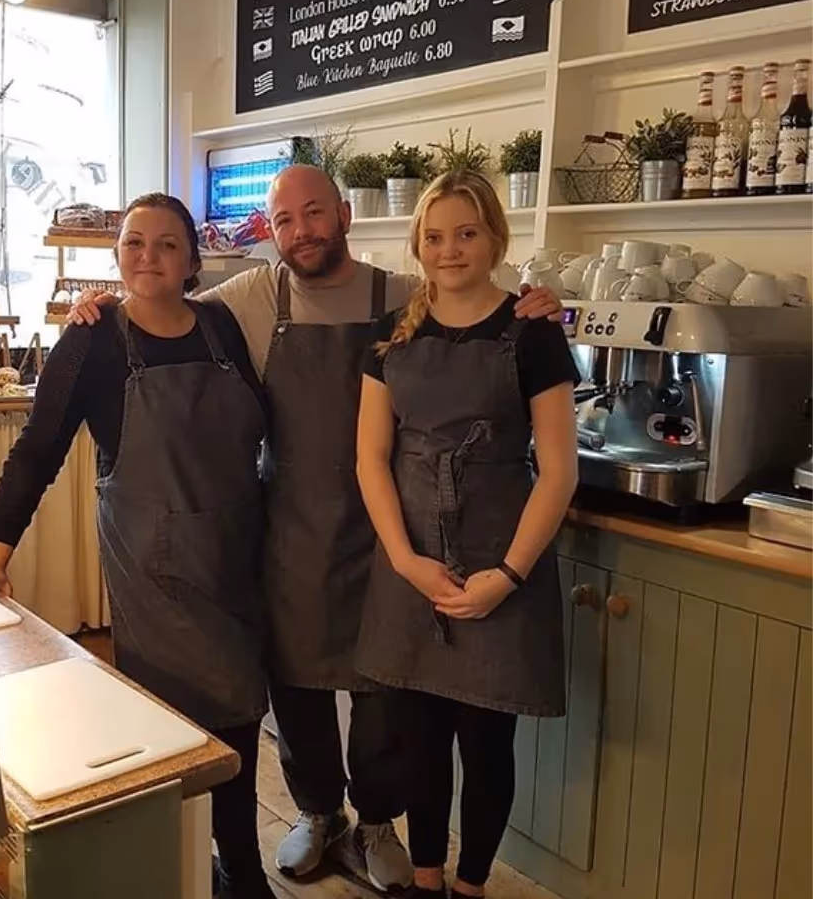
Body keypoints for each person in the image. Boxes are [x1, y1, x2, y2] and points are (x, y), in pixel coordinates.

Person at [69, 165, 563, 893]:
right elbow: (164, 302)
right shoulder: (251, 298)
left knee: (384, 697)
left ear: (344, 216)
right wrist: (105, 302)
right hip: (294, 528)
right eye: (285, 220)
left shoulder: (400, 296)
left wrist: (538, 302)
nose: (301, 232)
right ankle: (318, 811)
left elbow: (471, 298)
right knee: (296, 684)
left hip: (391, 534)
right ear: (272, 232)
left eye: (315, 214)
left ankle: (377, 821)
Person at [0, 193, 274, 899]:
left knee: (242, 712)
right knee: (172, 721)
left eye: (166, 244)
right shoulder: (92, 341)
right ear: (117, 254)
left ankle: (234, 867)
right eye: (133, 243)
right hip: (154, 566)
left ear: (192, 261)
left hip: (236, 557)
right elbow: (38, 450)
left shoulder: (222, 325)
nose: (148, 257)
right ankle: (189, 871)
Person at [355, 170, 579, 899]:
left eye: (466, 233)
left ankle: (472, 886)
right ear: (418, 246)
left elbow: (558, 472)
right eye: (434, 236)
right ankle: (427, 882)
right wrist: (404, 561)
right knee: (419, 737)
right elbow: (370, 459)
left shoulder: (534, 333)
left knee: (486, 744)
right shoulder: (391, 335)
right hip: (411, 562)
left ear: (494, 240)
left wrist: (507, 577)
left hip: (500, 560)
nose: (449, 249)